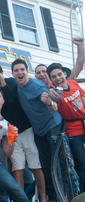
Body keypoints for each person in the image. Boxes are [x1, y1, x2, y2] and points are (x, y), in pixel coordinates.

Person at [11, 59, 62, 202]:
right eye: (16, 70)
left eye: (22, 69)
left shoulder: (37, 86)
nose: (20, 72)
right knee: (44, 165)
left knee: (55, 162)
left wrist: (49, 102)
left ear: (27, 71)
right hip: (38, 131)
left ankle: (61, 195)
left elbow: (54, 108)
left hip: (52, 125)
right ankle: (50, 197)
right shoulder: (17, 86)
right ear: (13, 73)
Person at [0, 67, 46, 202]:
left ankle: (44, 199)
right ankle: (19, 200)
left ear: (2, 73)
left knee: (36, 167)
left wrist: (1, 79)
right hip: (11, 134)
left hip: (27, 130)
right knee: (18, 169)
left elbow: (10, 98)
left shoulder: (11, 82)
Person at [47, 63, 85, 192]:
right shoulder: (54, 92)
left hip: (83, 122)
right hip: (71, 129)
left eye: (59, 74)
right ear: (51, 79)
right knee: (81, 162)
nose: (57, 78)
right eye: (53, 77)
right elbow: (53, 108)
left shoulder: (73, 83)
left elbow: (82, 98)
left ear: (64, 74)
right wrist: (49, 102)